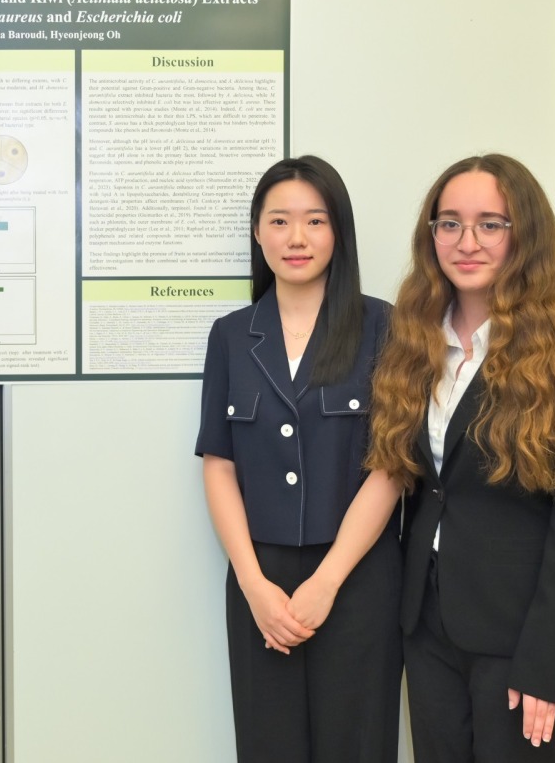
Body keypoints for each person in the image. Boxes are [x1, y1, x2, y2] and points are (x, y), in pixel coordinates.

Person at [366, 154, 555, 762]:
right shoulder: (415, 339)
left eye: (491, 223)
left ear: (525, 234)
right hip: (430, 628)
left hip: (527, 639)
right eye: (449, 223)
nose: (467, 242)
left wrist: (549, 663)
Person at [196, 155, 404, 762]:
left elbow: (391, 465)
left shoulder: (380, 326)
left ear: (338, 231)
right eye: (279, 221)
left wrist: (328, 579)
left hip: (358, 579)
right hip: (261, 581)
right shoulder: (232, 335)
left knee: (356, 745)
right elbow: (218, 463)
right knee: (269, 745)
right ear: (258, 233)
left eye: (314, 221)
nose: (296, 238)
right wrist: (253, 584)